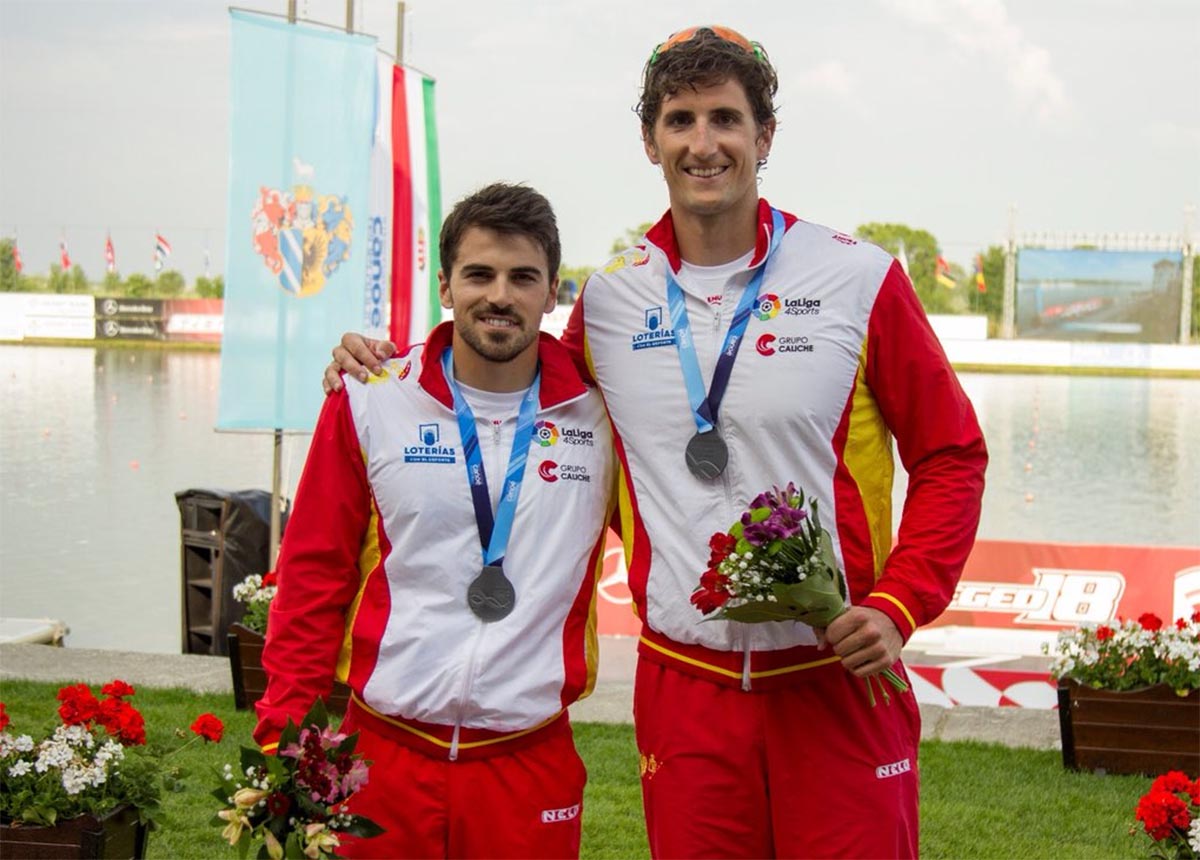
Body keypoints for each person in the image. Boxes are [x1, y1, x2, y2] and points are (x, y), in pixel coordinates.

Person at [326, 26, 987, 859]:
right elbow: (501, 357)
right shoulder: (609, 302)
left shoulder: (857, 278)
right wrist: (378, 359)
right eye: (680, 120)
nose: (702, 143)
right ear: (650, 140)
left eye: (725, 119)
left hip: (836, 676)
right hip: (688, 689)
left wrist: (900, 602)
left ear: (765, 137)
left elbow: (952, 455)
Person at [258, 182, 615, 859]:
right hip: (383, 754)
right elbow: (313, 573)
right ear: (446, 286)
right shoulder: (372, 397)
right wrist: (287, 732)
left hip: (528, 761)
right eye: (479, 274)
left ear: (553, 292)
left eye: (522, 277)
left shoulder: (604, 418)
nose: (500, 295)